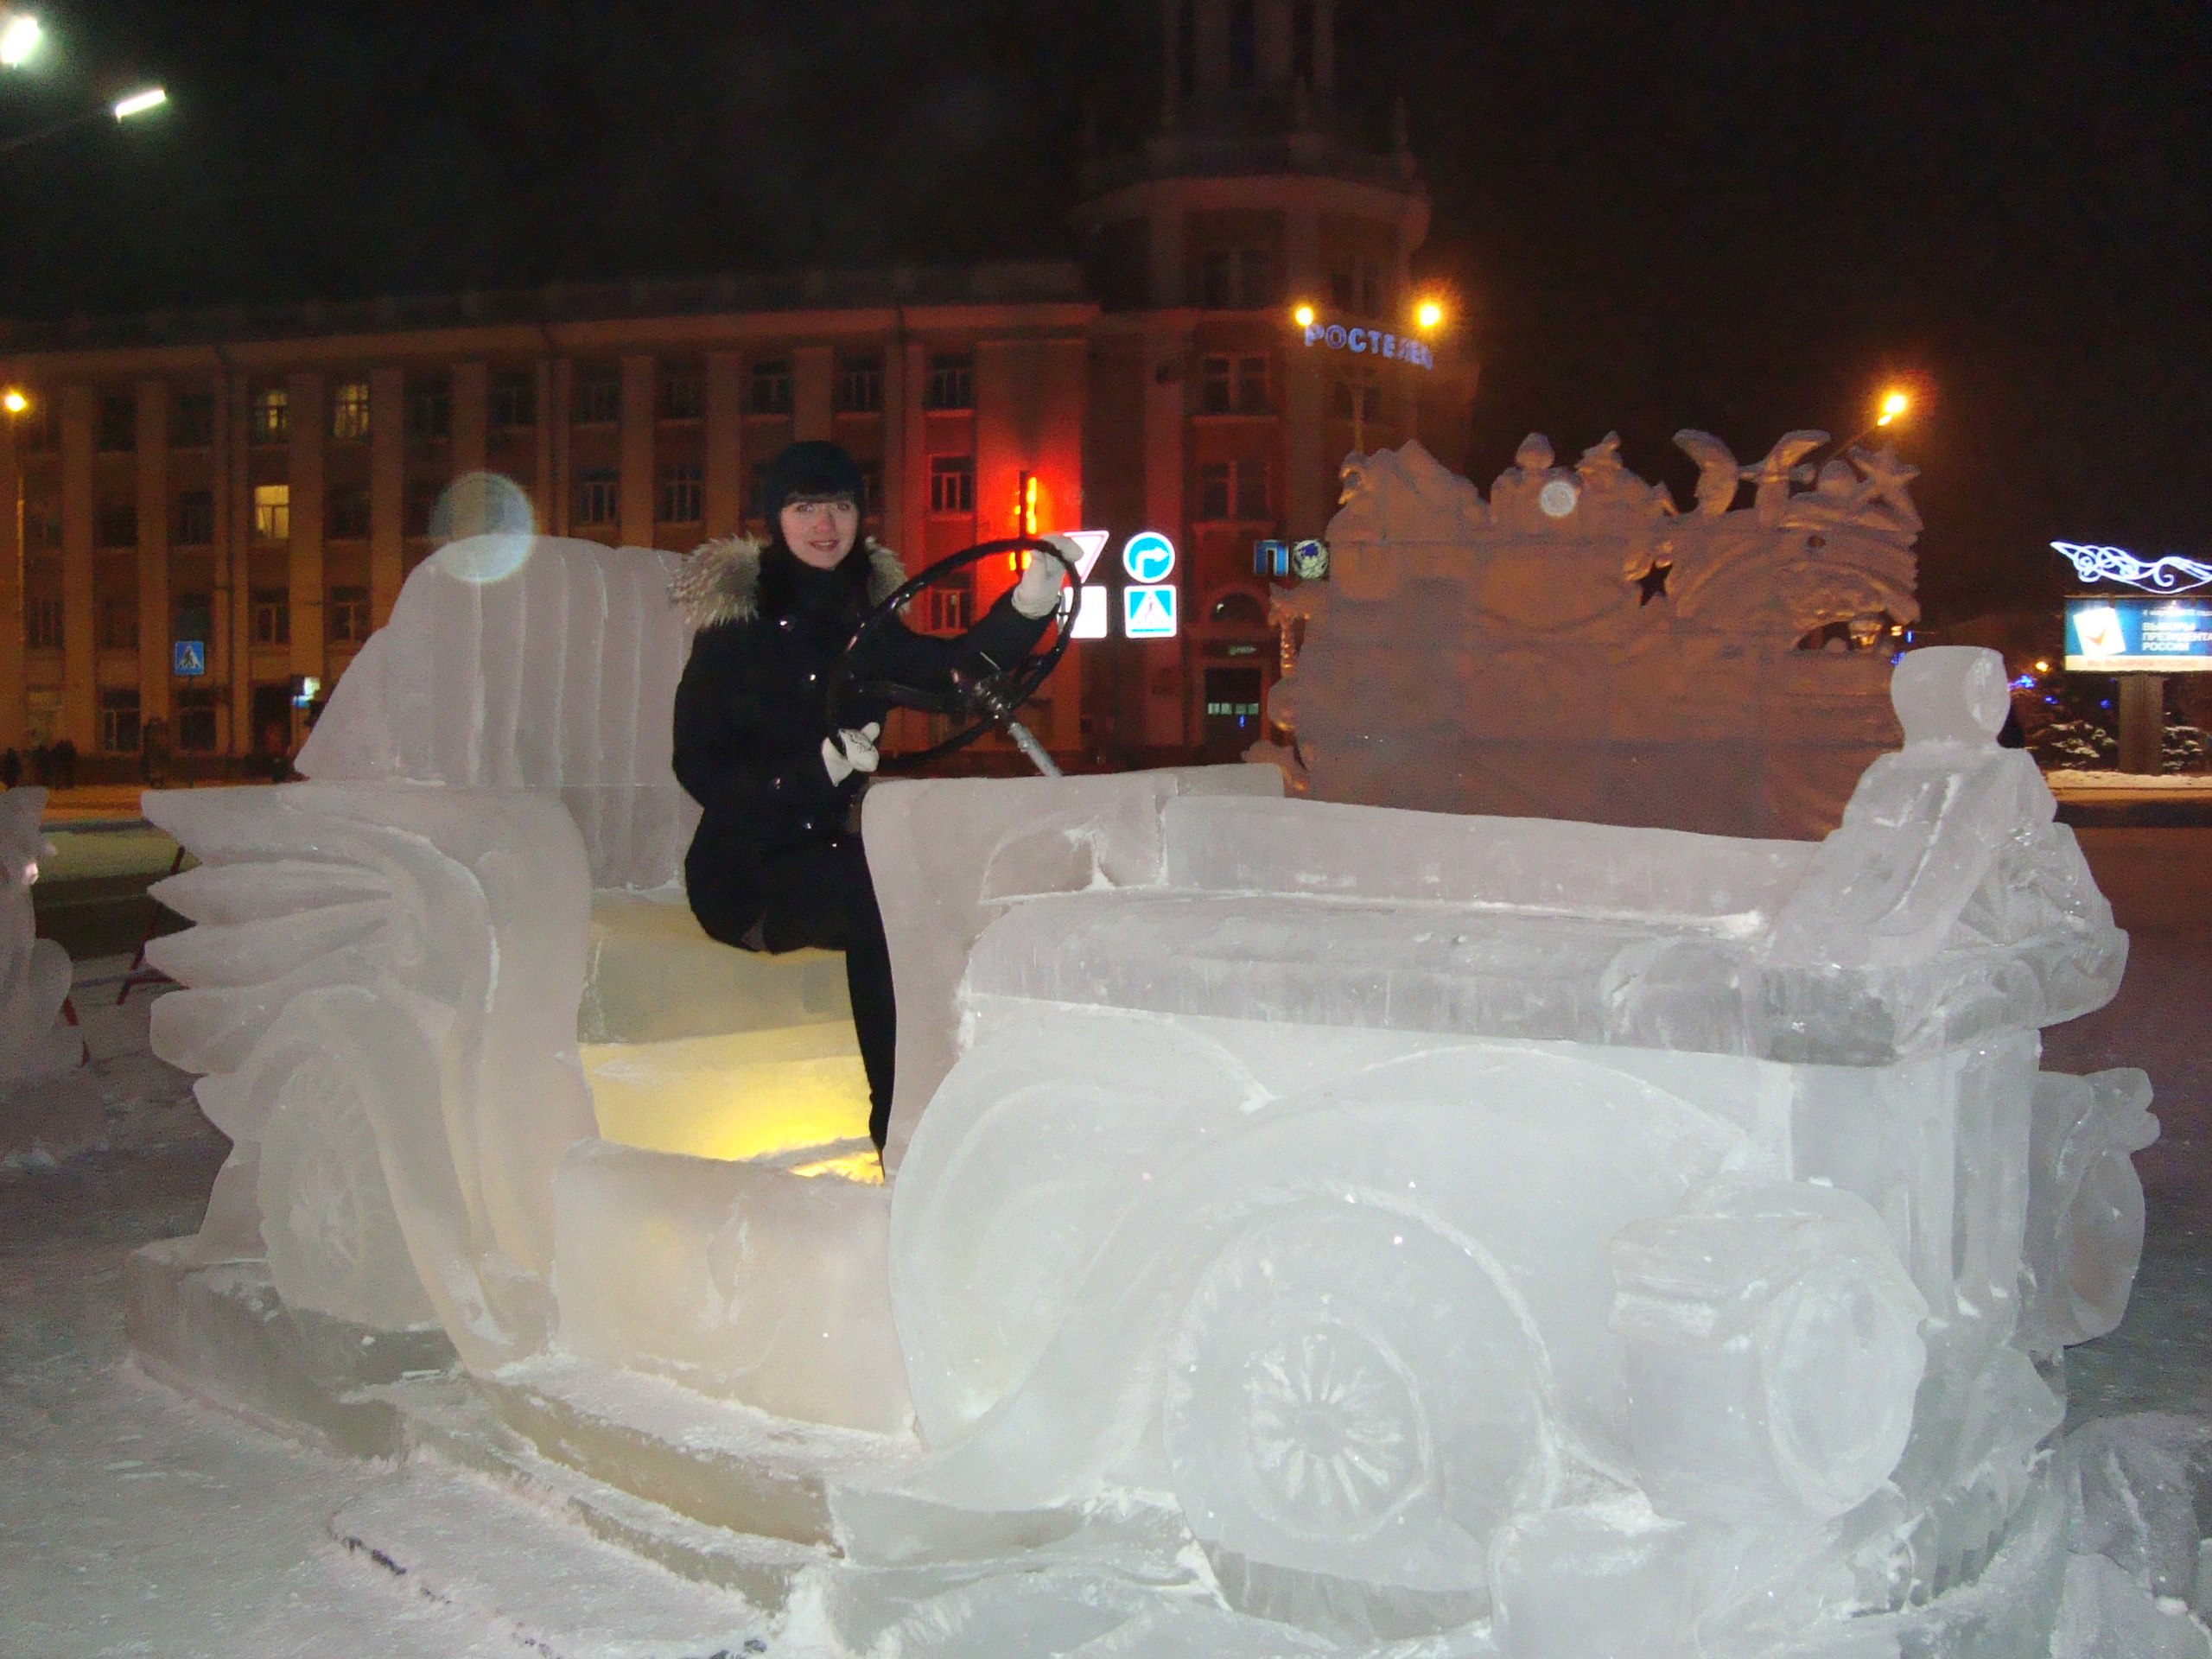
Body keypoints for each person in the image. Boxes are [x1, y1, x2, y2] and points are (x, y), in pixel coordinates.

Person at [671, 440, 1069, 1152]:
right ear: (776, 518)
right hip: (746, 875)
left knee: (932, 887)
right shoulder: (736, 631)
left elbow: (952, 675)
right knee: (885, 906)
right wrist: (813, 772)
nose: (825, 524)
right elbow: (699, 765)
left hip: (835, 855)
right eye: (805, 507)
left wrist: (1028, 605)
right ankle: (904, 1134)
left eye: (841, 506)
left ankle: (988, 1105)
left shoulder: (865, 627)